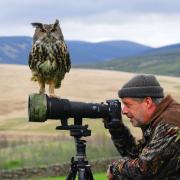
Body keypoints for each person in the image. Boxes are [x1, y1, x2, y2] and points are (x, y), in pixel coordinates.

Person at [106, 74, 180, 180]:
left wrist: (115, 168)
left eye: (128, 105)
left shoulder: (169, 124)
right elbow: (136, 156)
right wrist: (116, 129)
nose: (124, 111)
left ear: (148, 102)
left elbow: (143, 170)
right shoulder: (158, 119)